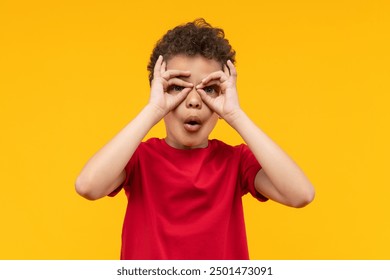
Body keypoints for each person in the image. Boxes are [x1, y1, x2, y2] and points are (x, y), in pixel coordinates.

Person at [75, 18, 315, 260]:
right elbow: (88, 186)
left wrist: (235, 115)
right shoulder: (138, 159)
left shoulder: (236, 162)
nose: (193, 100)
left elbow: (300, 194)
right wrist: (153, 110)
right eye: (178, 87)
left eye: (208, 89)